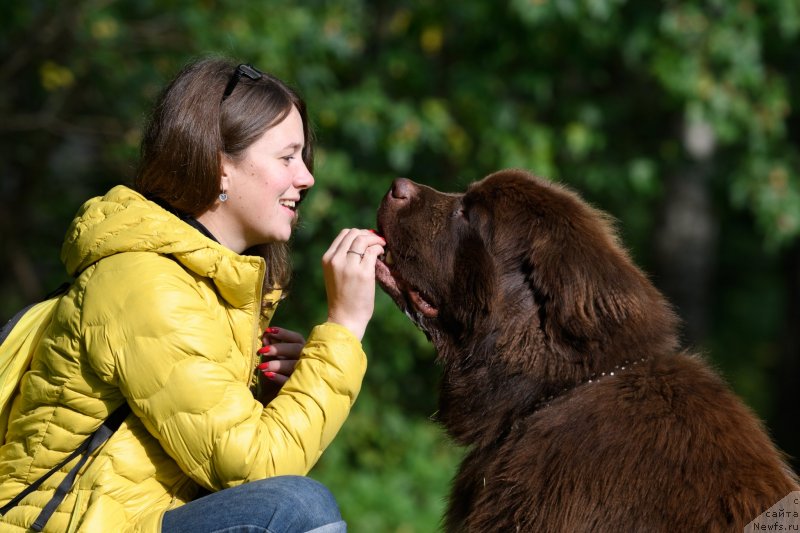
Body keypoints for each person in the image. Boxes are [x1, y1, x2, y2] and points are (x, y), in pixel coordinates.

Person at [0, 57, 385, 532]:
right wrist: (344, 327)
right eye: (287, 157)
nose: (306, 177)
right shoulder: (145, 286)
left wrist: (277, 398)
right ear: (220, 165)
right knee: (296, 507)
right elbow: (256, 466)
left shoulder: (208, 290)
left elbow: (216, 467)